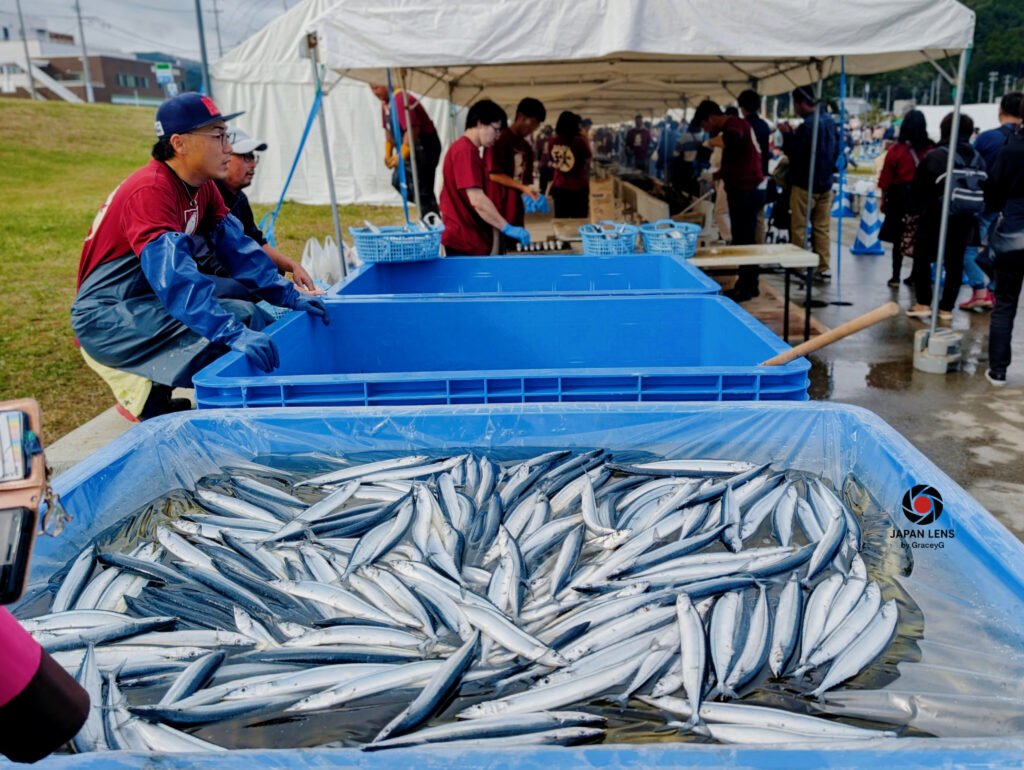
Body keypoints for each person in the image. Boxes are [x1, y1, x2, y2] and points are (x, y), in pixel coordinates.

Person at [70, 93, 328, 421]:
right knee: (230, 332)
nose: (227, 148)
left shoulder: (201, 188)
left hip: (146, 300)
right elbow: (175, 278)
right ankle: (244, 414)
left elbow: (240, 251)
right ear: (179, 143)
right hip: (108, 315)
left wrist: (288, 294)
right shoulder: (151, 190)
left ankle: (278, 404)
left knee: (247, 315)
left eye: (226, 136)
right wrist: (231, 333)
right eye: (218, 136)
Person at [193, 128, 321, 297]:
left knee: (274, 269)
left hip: (231, 268)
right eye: (246, 157)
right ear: (224, 157)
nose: (252, 164)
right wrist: (274, 284)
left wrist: (292, 266)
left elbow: (257, 241)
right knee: (246, 289)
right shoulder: (207, 195)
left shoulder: (239, 198)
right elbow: (217, 261)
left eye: (253, 157)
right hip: (206, 276)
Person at [906, 112, 984, 320]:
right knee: (955, 262)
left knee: (923, 259)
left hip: (934, 217)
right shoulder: (977, 159)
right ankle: (947, 308)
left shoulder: (936, 156)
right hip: (965, 219)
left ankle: (923, 303)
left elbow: (917, 190)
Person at [691, 99, 765, 301]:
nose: (707, 131)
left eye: (705, 126)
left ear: (711, 118)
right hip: (740, 188)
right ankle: (748, 283)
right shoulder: (733, 125)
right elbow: (736, 158)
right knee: (743, 238)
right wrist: (716, 175)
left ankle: (747, 286)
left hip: (746, 191)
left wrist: (709, 143)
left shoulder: (734, 125)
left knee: (744, 239)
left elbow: (732, 140)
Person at [439, 99, 530, 256]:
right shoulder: (464, 151)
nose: (498, 136)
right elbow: (477, 200)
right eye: (496, 129)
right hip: (464, 240)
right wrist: (506, 226)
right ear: (480, 123)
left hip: (469, 237)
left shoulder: (470, 151)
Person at [962, 92, 1024, 311]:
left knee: (970, 249)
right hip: (1012, 213)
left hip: (985, 203)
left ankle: (981, 290)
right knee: (1001, 253)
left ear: (1000, 110)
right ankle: (994, 289)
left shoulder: (988, 138)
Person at [780, 86, 840, 280]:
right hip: (826, 183)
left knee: (798, 226)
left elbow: (795, 155)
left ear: (801, 104)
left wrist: (787, 135)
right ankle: (823, 266)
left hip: (804, 184)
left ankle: (798, 265)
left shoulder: (807, 126)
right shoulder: (830, 121)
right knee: (822, 228)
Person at [985, 125, 1024, 386]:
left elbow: (993, 192)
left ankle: (998, 371)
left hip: (1014, 233)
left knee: (1005, 304)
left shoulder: (1012, 149)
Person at [877, 110, 933, 288]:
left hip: (899, 198)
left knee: (897, 238)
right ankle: (915, 274)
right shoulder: (931, 149)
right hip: (924, 198)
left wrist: (883, 200)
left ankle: (895, 276)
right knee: (920, 237)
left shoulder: (896, 150)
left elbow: (886, 179)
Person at [370, 83, 442, 217]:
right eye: (371, 89)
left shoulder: (400, 99)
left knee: (421, 189)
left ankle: (430, 218)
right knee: (398, 181)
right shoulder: (386, 104)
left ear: (386, 84)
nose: (374, 92)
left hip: (424, 147)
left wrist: (402, 153)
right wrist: (388, 150)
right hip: (412, 148)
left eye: (376, 88)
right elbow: (388, 129)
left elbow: (412, 128)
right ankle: (430, 208)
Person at [486, 97, 546, 253]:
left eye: (537, 125)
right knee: (497, 253)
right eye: (532, 123)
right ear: (520, 117)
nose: (533, 128)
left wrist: (530, 194)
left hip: (516, 212)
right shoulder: (499, 139)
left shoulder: (526, 147)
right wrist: (523, 188)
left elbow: (526, 182)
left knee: (514, 254)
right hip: (498, 210)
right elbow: (493, 174)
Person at [738, 89, 771, 243]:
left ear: (742, 107)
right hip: (763, 175)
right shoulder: (764, 125)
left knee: (745, 217)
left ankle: (748, 250)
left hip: (747, 176)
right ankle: (760, 248)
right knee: (759, 216)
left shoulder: (744, 126)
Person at [549, 111, 592, 219]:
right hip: (579, 187)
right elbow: (588, 156)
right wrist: (585, 137)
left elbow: (552, 161)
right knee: (579, 221)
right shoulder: (579, 141)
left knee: (561, 220)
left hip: (560, 186)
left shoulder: (553, 141)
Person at [535, 124, 555, 193]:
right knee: (543, 186)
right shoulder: (541, 141)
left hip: (548, 164)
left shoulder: (553, 140)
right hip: (545, 164)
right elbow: (538, 152)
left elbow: (538, 153)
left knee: (544, 185)